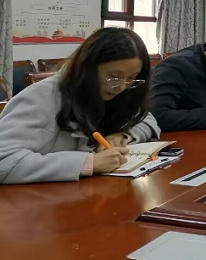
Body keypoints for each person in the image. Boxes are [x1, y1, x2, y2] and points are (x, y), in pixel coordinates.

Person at [0, 28, 161, 184]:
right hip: (35, 198)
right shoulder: (42, 97)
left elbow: (146, 119)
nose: (121, 87)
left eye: (132, 78)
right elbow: (4, 161)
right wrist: (88, 163)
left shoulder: (120, 91)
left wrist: (122, 136)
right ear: (88, 67)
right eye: (114, 77)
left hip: (90, 192)